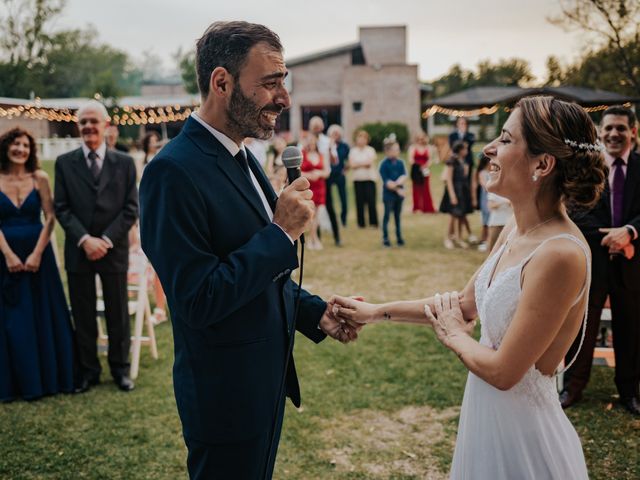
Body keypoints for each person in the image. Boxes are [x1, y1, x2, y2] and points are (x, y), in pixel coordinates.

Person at [330, 96, 607, 479]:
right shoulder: (514, 229)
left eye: (506, 140)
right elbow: (462, 304)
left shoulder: (560, 254)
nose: (489, 149)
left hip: (525, 442)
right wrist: (377, 312)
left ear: (542, 165)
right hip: (486, 422)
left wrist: (453, 336)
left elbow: (504, 372)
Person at [138, 21, 358, 480]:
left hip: (264, 382)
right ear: (222, 82)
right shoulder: (173, 173)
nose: (285, 98)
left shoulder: (241, 156)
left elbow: (255, 273)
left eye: (284, 82)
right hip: (225, 396)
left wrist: (311, 311)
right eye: (271, 83)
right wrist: (280, 233)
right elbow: (198, 298)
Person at [54, 100, 139, 393]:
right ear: (78, 127)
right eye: (83, 122)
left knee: (118, 312)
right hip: (79, 250)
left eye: (94, 121)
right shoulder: (64, 164)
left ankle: (120, 369)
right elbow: (61, 208)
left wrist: (104, 240)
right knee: (83, 312)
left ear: (105, 126)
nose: (89, 126)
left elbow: (131, 208)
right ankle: (88, 370)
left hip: (113, 249)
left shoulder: (125, 163)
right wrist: (84, 239)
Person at [561, 106, 640, 415]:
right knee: (582, 327)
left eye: (620, 128)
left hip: (633, 263)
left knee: (631, 329)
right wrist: (612, 236)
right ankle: (573, 387)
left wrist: (631, 233)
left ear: (633, 131)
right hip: (593, 262)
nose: (613, 134)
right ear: (600, 131)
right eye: (608, 128)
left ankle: (630, 392)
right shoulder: (588, 169)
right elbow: (575, 211)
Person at [0, 128, 75, 402]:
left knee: (43, 314)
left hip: (38, 258)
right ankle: (15, 382)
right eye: (15, 144)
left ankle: (48, 378)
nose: (20, 149)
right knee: (11, 320)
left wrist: (36, 254)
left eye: (25, 145)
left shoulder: (40, 178)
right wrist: (8, 255)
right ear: (6, 147)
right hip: (4, 258)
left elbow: (51, 217)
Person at [449, 116, 477, 242]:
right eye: (460, 123)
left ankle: (460, 236)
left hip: (464, 180)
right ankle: (451, 236)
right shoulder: (452, 162)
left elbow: (470, 143)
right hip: (456, 188)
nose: (462, 125)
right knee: (455, 213)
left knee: (461, 211)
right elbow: (448, 178)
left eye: (464, 123)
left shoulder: (469, 135)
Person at [439, 141, 472, 249]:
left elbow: (464, 176)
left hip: (462, 190)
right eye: (465, 149)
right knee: (453, 215)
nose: (467, 151)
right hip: (454, 190)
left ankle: (459, 238)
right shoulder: (451, 161)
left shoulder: (462, 161)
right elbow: (448, 179)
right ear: (460, 150)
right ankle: (448, 238)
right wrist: (452, 195)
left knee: (461, 215)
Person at [301, 134, 328, 250]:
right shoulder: (302, 154)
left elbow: (327, 172)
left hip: (319, 186)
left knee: (316, 214)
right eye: (309, 141)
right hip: (308, 187)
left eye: (313, 141)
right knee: (309, 214)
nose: (311, 143)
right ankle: (312, 239)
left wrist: (319, 174)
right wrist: (309, 175)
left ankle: (314, 238)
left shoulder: (321, 155)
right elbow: (298, 171)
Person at [379, 138, 407, 247]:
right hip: (388, 196)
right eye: (395, 150)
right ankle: (385, 238)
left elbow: (404, 175)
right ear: (388, 151)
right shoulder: (384, 165)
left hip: (398, 197)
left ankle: (399, 237)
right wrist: (398, 189)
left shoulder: (400, 163)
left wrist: (400, 182)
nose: (397, 152)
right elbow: (387, 182)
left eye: (398, 150)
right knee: (387, 217)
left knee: (397, 217)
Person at [349, 129, 379, 228]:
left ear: (367, 140)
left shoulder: (370, 150)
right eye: (359, 138)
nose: (361, 140)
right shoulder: (353, 151)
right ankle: (361, 223)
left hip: (369, 179)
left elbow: (369, 163)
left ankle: (373, 222)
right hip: (358, 180)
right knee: (359, 202)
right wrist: (363, 163)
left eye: (364, 138)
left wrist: (358, 164)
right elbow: (352, 165)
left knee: (371, 201)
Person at [327, 124, 349, 229]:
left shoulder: (344, 146)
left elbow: (348, 160)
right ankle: (330, 219)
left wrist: (345, 170)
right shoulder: (327, 145)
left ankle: (343, 219)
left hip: (340, 174)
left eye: (337, 133)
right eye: (333, 133)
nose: (335, 135)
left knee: (343, 198)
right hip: (329, 175)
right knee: (328, 198)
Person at [408, 132, 435, 213]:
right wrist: (417, 166)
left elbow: (430, 159)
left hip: (425, 170)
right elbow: (410, 159)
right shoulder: (412, 148)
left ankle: (427, 207)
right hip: (416, 170)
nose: (420, 140)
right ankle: (416, 207)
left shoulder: (428, 148)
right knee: (416, 189)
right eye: (418, 139)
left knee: (425, 188)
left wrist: (425, 166)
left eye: (422, 139)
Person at [475, 154, 491, 251]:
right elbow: (484, 185)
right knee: (486, 219)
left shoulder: (491, 172)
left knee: (489, 220)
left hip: (491, 198)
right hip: (485, 199)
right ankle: (483, 239)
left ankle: (487, 239)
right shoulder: (482, 173)